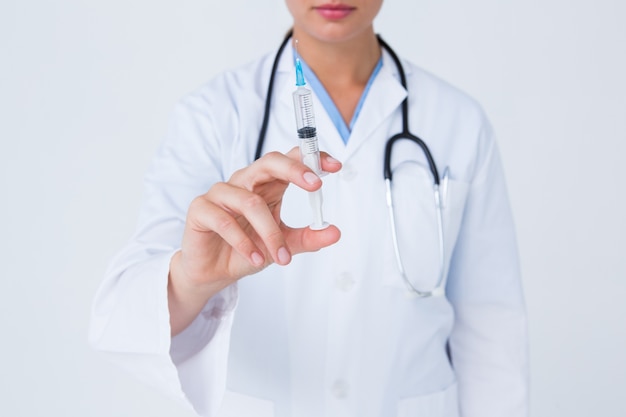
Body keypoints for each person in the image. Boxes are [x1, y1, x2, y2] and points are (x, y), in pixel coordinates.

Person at [89, 1, 529, 416]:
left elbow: (491, 327)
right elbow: (122, 310)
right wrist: (191, 278)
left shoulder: (458, 121)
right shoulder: (212, 116)